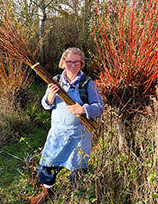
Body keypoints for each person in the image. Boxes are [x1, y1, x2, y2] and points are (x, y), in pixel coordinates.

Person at [30, 47, 104, 204]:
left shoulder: (87, 84)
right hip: (58, 133)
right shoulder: (54, 80)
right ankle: (47, 193)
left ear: (81, 63)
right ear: (63, 63)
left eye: (76, 62)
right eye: (68, 61)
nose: (72, 65)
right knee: (47, 165)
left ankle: (78, 197)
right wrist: (50, 95)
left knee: (78, 170)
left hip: (80, 136)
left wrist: (83, 109)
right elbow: (45, 105)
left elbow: (99, 106)